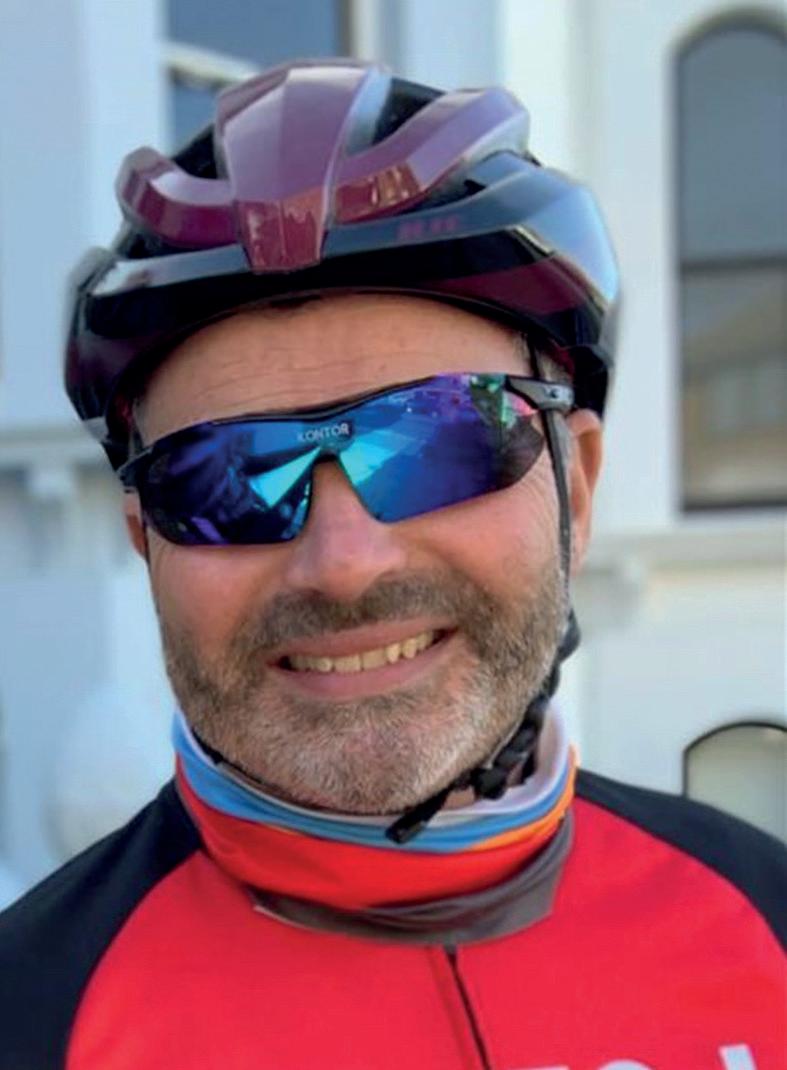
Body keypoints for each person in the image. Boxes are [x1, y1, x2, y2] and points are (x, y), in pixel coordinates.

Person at [0, 59, 783, 1070]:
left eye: (442, 438)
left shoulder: (764, 916)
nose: (344, 563)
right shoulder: (30, 1017)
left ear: (578, 487)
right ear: (144, 538)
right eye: (224, 478)